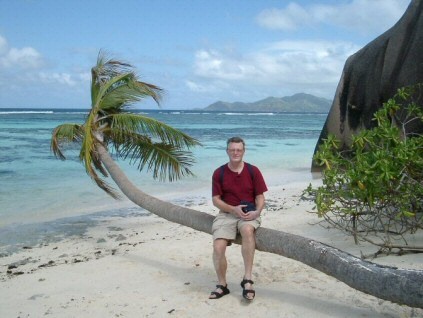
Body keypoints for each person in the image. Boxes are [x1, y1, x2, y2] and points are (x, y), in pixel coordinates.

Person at [209, 136, 268, 301]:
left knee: (248, 230)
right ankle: (222, 285)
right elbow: (216, 200)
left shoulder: (253, 171)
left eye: (239, 150)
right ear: (227, 151)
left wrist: (257, 212)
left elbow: (260, 197)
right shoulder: (219, 172)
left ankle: (247, 279)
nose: (236, 152)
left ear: (243, 151)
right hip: (227, 213)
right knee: (218, 247)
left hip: (249, 213)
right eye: (232, 149)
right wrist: (232, 209)